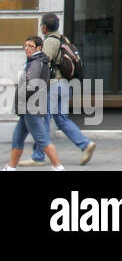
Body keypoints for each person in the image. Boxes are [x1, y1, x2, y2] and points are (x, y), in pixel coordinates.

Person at [23, 14, 94, 167]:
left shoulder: (49, 42)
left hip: (53, 86)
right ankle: (85, 144)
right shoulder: (64, 39)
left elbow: (43, 63)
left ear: (44, 27)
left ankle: (37, 156)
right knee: (61, 119)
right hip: (65, 85)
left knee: (43, 120)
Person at [4, 36, 64, 171]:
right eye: (25, 46)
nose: (27, 48)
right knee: (17, 138)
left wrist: (22, 97)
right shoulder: (36, 61)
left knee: (42, 139)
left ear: (39, 48)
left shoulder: (36, 63)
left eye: (30, 46)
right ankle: (11, 167)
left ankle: (58, 167)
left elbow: (31, 84)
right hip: (28, 107)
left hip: (31, 107)